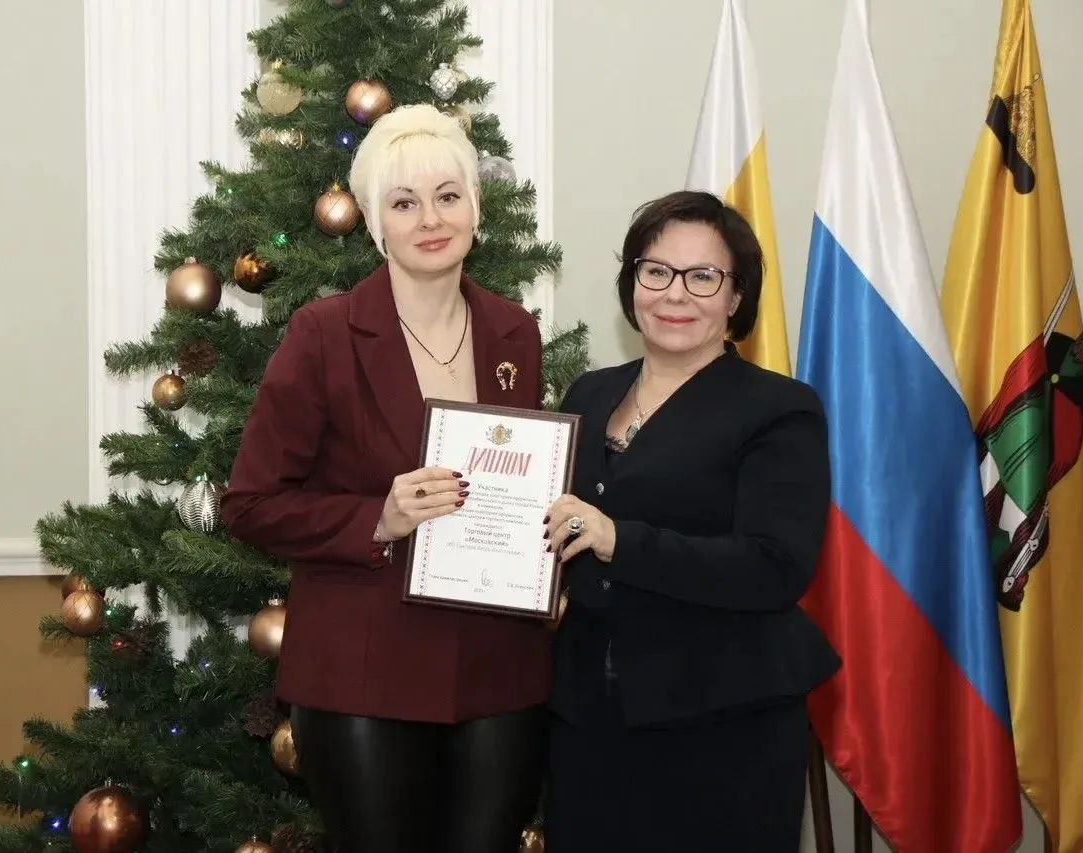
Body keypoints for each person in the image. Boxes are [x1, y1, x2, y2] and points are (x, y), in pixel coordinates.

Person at [221, 104, 549, 853]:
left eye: (448, 195)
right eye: (404, 203)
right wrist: (378, 517)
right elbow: (250, 504)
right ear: (374, 225)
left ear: (476, 207)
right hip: (364, 670)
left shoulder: (514, 332)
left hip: (500, 667)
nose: (430, 219)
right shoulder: (323, 334)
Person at [542, 190, 842, 851]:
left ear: (736, 296)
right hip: (587, 718)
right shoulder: (589, 393)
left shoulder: (779, 409)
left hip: (722, 725)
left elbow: (775, 567)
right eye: (656, 271)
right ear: (632, 283)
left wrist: (619, 540)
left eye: (703, 276)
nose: (675, 294)